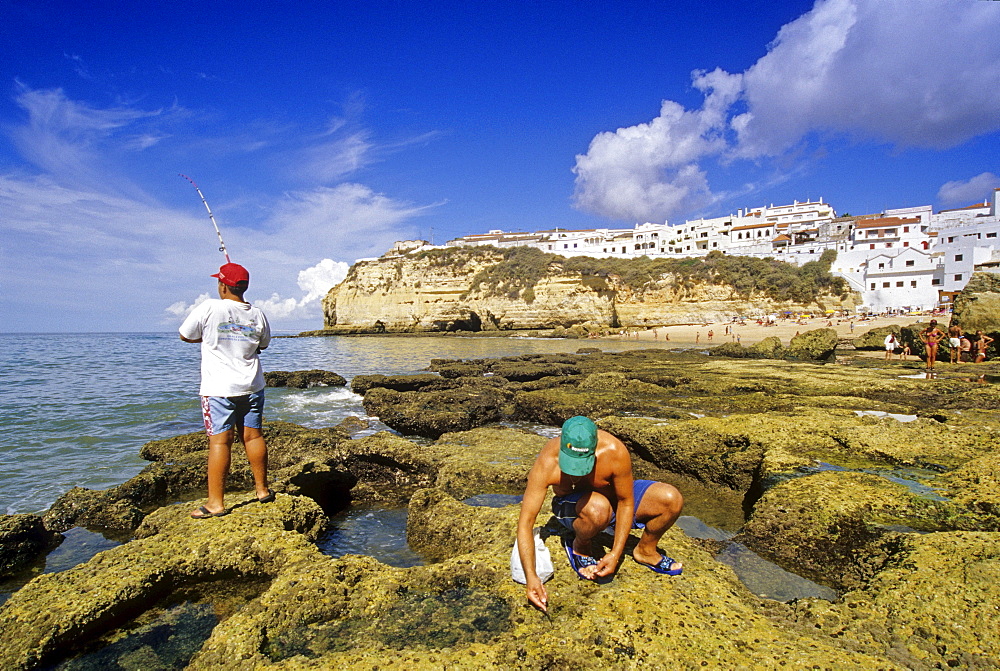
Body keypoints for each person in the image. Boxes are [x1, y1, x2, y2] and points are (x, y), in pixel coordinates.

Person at [516, 416, 684, 612]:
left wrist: (615, 554)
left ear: (595, 448)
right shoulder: (547, 461)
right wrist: (531, 576)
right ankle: (580, 546)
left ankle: (645, 550)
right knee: (597, 508)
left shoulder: (614, 451)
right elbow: (526, 522)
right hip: (576, 508)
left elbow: (625, 501)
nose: (577, 471)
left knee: (671, 499)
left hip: (612, 503)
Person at [179, 262, 273, 518]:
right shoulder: (258, 313)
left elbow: (185, 335)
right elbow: (263, 343)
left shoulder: (209, 307)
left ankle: (215, 504)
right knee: (253, 437)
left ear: (222, 285)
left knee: (220, 442)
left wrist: (209, 336)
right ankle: (262, 490)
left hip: (218, 389)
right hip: (252, 385)